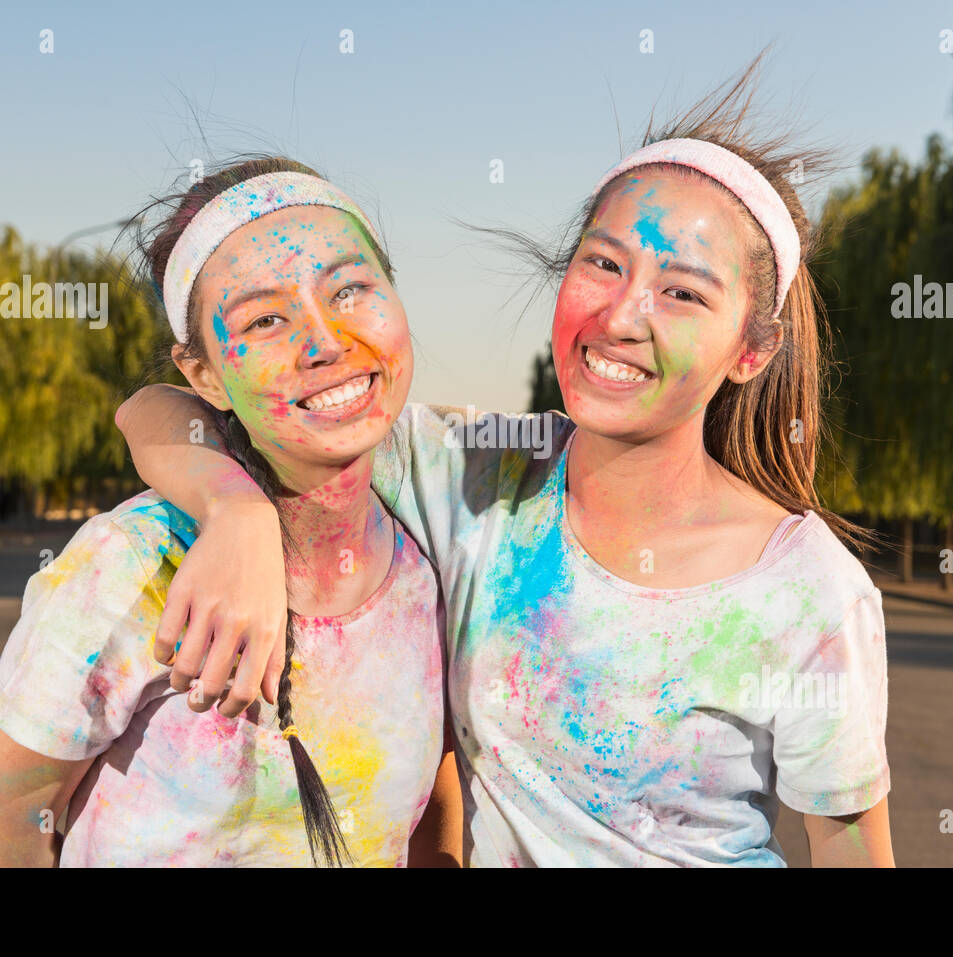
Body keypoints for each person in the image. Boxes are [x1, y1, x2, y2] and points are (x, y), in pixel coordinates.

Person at [117, 65, 894, 866]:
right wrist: (233, 512)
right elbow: (156, 409)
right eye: (603, 264)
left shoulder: (808, 589)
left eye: (684, 294)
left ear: (751, 350)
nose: (623, 315)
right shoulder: (475, 474)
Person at [0, 157, 461, 867]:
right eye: (268, 318)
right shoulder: (131, 563)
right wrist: (239, 513)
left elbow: (435, 804)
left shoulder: (433, 557)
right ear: (205, 375)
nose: (327, 343)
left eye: (350, 288)